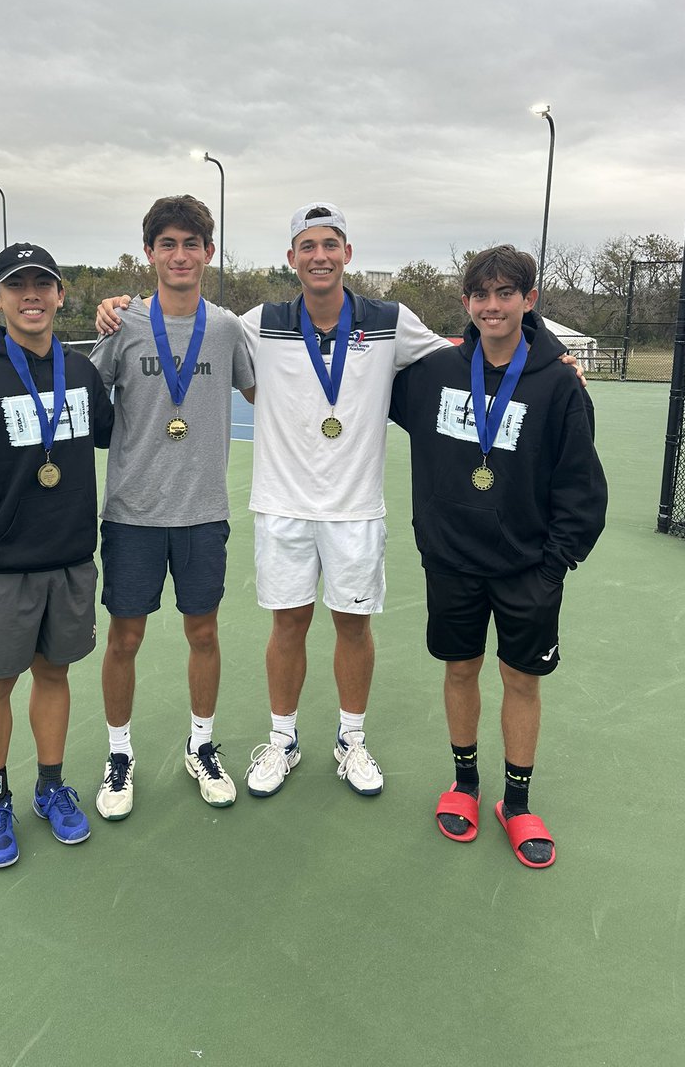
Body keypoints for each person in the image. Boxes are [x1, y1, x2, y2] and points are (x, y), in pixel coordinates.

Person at [388, 244, 607, 868]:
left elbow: (580, 483)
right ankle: (465, 783)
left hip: (527, 567)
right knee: (460, 670)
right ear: (466, 303)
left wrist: (554, 564)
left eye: (506, 293)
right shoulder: (433, 372)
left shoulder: (559, 383)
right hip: (451, 561)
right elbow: (358, 381)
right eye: (481, 295)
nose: (492, 306)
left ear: (528, 300)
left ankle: (517, 802)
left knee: (521, 680)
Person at [239, 204, 451, 799]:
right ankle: (282, 739)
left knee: (353, 627)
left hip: (355, 509)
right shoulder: (262, 322)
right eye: (308, 246)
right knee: (288, 625)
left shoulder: (390, 320)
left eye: (330, 244)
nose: (320, 256)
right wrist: (121, 306)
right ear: (291, 259)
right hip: (282, 506)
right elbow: (188, 323)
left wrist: (546, 356)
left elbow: (462, 356)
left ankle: (350, 739)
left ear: (347, 254)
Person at [0, 243, 114, 868]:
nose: (31, 295)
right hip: (3, 569)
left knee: (55, 675)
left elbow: (115, 431)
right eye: (17, 285)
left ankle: (51, 787)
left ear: (61, 295)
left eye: (43, 284)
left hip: (71, 562)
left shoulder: (80, 371)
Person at [88, 195, 255, 821]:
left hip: (203, 513)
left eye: (191, 244)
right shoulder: (124, 325)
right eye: (168, 244)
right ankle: (119, 754)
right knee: (124, 638)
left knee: (203, 633)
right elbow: (80, 395)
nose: (180, 255)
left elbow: (268, 391)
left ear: (208, 253)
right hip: (131, 513)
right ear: (149, 252)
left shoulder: (227, 328)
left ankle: (201, 746)